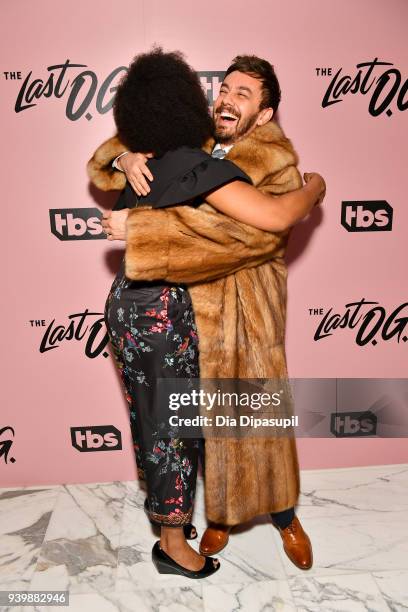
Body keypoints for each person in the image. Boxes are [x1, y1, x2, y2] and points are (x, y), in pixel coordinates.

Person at [90, 52, 325, 573]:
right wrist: (126, 158)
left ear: (264, 114)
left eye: (244, 94)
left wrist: (312, 187)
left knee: (255, 420)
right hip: (183, 306)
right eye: (226, 88)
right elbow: (108, 158)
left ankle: (286, 517)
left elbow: (252, 238)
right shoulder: (191, 140)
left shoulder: (276, 159)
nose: (228, 99)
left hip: (244, 308)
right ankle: (216, 517)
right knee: (194, 426)